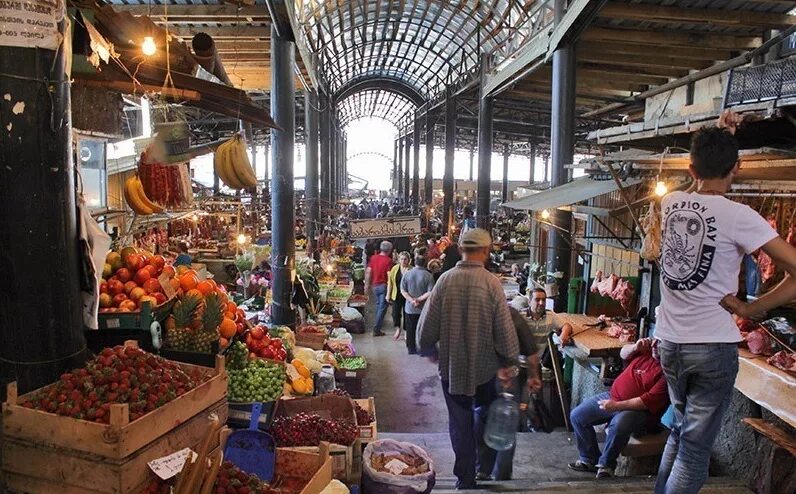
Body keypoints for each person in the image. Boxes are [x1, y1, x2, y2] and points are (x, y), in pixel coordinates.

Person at [655, 126, 796, 494]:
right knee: (695, 453)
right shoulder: (741, 216)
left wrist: (720, 133)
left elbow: (695, 191)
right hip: (711, 347)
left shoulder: (671, 203)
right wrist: (754, 306)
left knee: (679, 432)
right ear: (737, 168)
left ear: (691, 170)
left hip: (669, 344)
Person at [416, 228, 521, 490]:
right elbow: (505, 330)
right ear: (485, 251)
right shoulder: (491, 283)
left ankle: (465, 478)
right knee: (485, 414)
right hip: (486, 370)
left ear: (461, 249)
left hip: (452, 370)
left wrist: (429, 349)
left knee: (459, 422)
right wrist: (509, 363)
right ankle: (483, 468)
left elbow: (425, 330)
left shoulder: (444, 281)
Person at [568, 338, 669, 479]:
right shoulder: (645, 355)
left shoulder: (668, 373)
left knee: (619, 425)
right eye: (655, 341)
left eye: (659, 344)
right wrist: (635, 347)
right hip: (613, 397)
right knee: (577, 416)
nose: (654, 345)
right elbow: (623, 354)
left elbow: (645, 402)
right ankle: (589, 459)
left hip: (639, 411)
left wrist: (616, 406)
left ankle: (606, 466)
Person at [477, 304, 543, 481]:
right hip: (505, 379)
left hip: (485, 378)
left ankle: (482, 470)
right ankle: (501, 476)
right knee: (505, 423)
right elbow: (531, 353)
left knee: (483, 420)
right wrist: (533, 375)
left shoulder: (476, 314)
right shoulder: (511, 314)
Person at [400, 256, 435, 354]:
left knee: (410, 330)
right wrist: (419, 299)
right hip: (423, 308)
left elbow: (403, 290)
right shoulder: (428, 276)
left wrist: (412, 300)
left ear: (414, 262)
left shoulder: (407, 275)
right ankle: (423, 349)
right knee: (423, 329)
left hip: (410, 308)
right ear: (425, 263)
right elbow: (430, 292)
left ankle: (411, 349)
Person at [365, 240, 394, 336]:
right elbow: (389, 276)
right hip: (383, 286)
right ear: (389, 250)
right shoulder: (389, 261)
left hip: (374, 286)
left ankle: (377, 327)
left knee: (378, 306)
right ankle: (376, 329)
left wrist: (367, 285)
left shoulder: (373, 258)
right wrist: (391, 290)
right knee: (382, 308)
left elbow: (368, 271)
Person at [387, 251, 412, 340]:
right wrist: (388, 294)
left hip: (408, 296)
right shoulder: (395, 269)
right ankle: (398, 328)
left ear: (409, 260)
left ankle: (406, 331)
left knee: (407, 314)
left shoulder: (411, 270)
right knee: (395, 313)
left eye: (405, 259)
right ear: (398, 260)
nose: (403, 261)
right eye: (401, 259)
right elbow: (390, 282)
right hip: (396, 294)